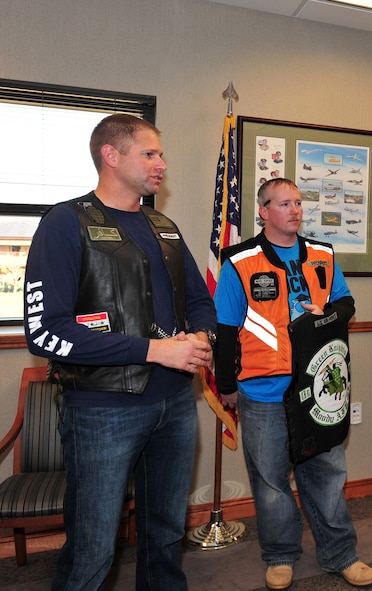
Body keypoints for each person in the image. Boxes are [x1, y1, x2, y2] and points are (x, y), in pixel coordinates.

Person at [23, 114, 217, 590]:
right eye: (150, 154)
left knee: (167, 535)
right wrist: (154, 351)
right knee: (92, 547)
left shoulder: (163, 226)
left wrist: (203, 340)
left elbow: (199, 302)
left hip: (174, 404)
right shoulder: (65, 223)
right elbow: (46, 333)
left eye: (161, 154)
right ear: (111, 155)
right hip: (102, 411)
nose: (162, 165)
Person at [212, 178, 372, 590]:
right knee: (271, 483)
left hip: (319, 387)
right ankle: (281, 556)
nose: (295, 210)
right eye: (284, 203)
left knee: (328, 474)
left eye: (299, 203)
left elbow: (347, 304)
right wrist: (227, 385)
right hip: (263, 391)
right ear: (264, 211)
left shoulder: (322, 254)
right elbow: (225, 330)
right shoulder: (239, 261)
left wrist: (328, 313)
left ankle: (341, 554)